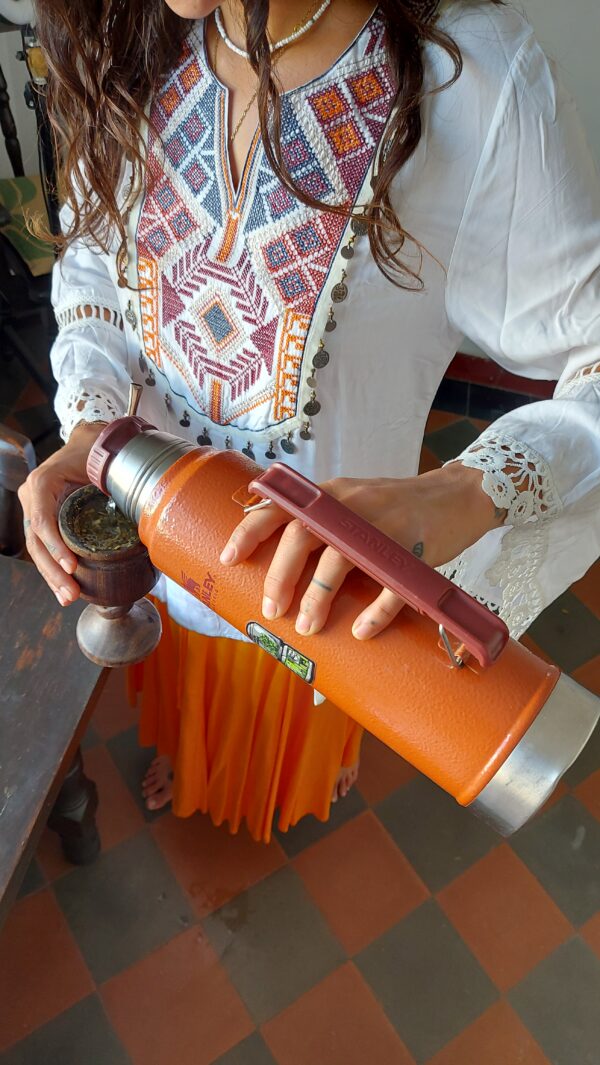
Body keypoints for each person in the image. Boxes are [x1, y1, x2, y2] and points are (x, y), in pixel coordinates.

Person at [20, 0, 600, 842]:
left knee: (301, 716)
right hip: (160, 536)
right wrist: (90, 427)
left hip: (329, 584)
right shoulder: (131, 33)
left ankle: (297, 771)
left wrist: (460, 493)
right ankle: (197, 762)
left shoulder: (468, 78)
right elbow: (93, 263)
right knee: (193, 686)